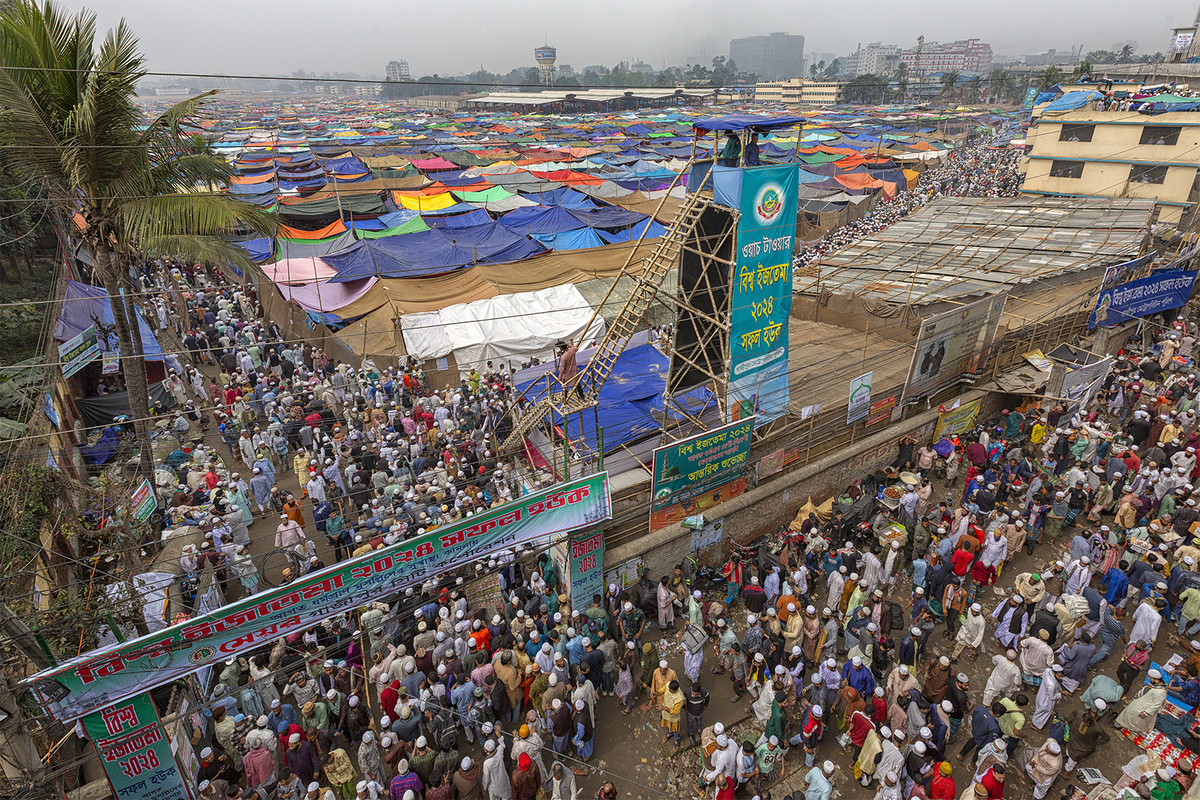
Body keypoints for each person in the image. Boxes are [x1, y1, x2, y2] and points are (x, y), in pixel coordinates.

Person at [1116, 668, 1168, 732]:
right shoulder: (1154, 686)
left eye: (1150, 677)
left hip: (1144, 708)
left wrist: (1146, 713)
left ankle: (1119, 725)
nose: (1149, 678)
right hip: (1141, 702)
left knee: (1131, 716)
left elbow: (1157, 705)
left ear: (1156, 680)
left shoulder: (1160, 692)